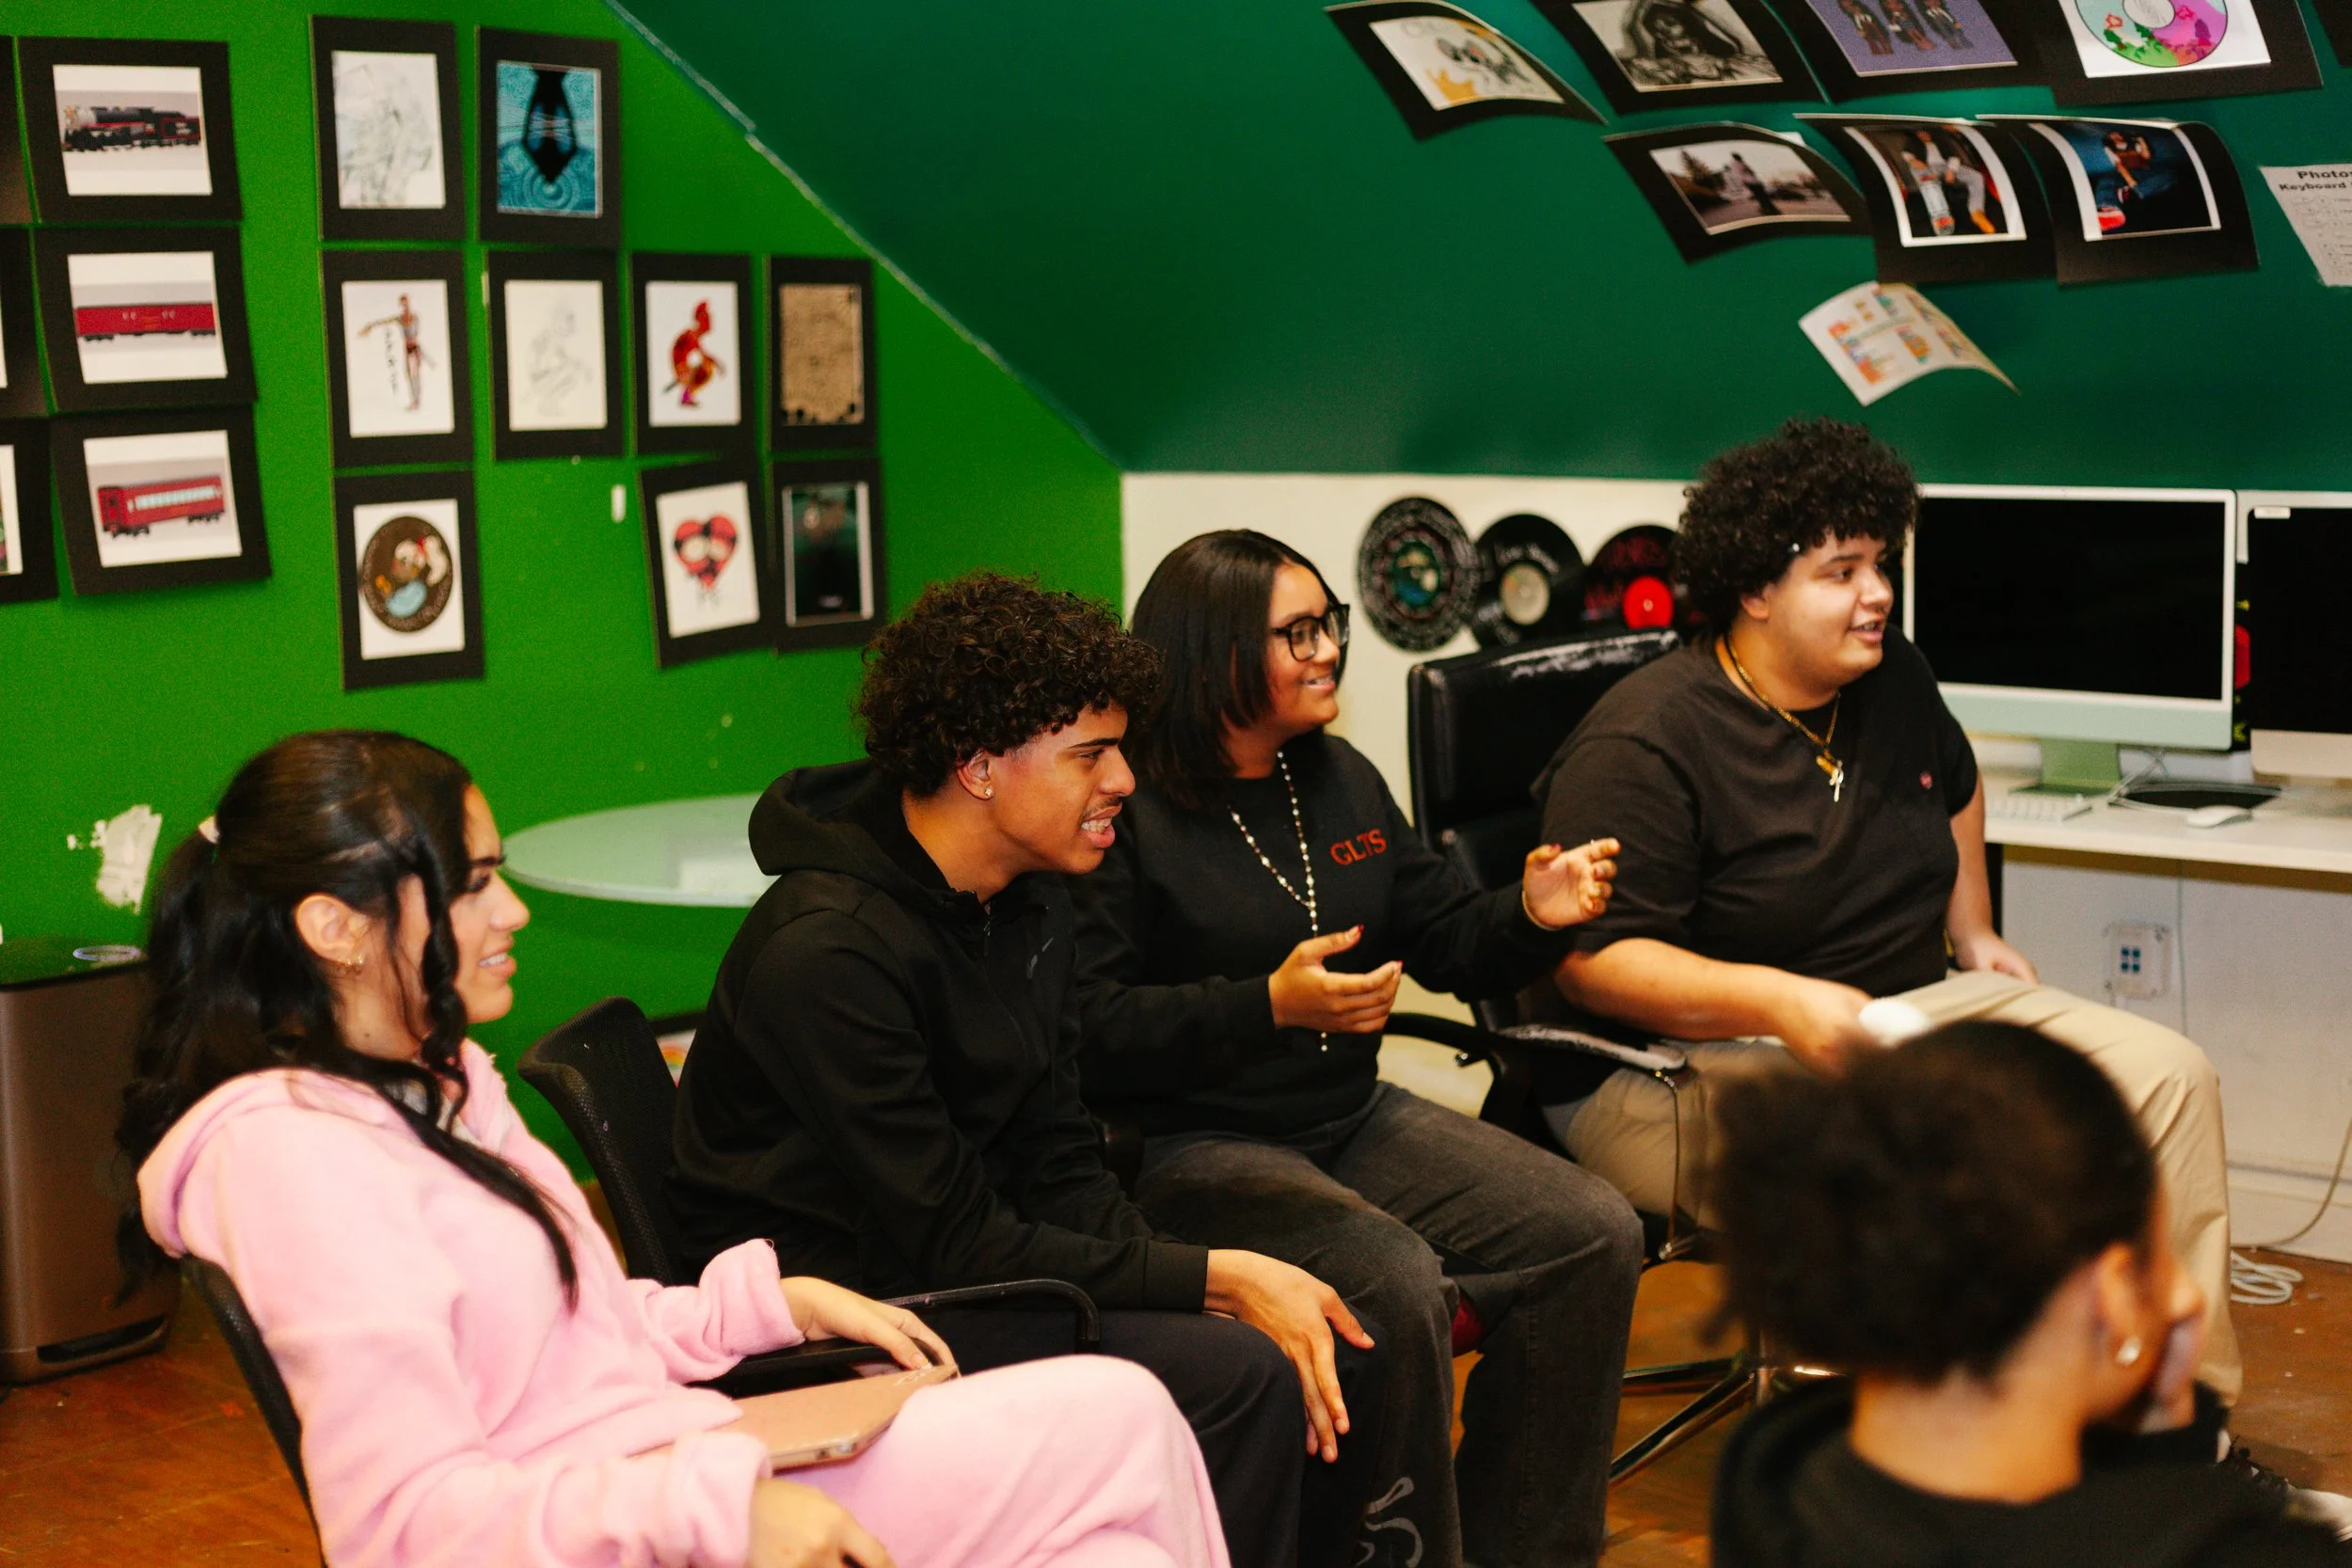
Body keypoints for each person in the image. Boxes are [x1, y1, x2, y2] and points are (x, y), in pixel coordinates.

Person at [118, 730, 1228, 1568]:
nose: (512, 912)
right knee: (1120, 1411)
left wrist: (775, 1302)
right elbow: (406, 1527)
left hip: (670, 1462)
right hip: (646, 1516)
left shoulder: (442, 1085)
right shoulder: (293, 1162)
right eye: (470, 884)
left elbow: (576, 1331)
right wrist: (720, 1507)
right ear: (335, 926)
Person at [668, 575, 1385, 1568]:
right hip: (843, 1320)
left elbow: (1057, 1153)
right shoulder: (828, 952)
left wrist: (1182, 1285)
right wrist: (1217, 1276)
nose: (1125, 780)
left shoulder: (1027, 895)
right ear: (978, 767)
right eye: (1090, 754)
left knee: (1261, 1347)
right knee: (1238, 1373)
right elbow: (951, 1239)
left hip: (945, 1266)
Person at [1525, 416, 2245, 1402]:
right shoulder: (1644, 743)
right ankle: (1931, 1471)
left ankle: (2171, 1424)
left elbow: (1953, 783)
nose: (1878, 594)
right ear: (1753, 591)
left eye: (1881, 563)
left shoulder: (1887, 671)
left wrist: (1975, 930)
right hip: (1667, 1072)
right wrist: (1781, 1003)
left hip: (1898, 1005)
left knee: (2167, 1076)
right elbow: (1593, 962)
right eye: (1841, 570)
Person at [1071, 529, 1646, 1568]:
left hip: (1351, 1114)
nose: (1328, 647)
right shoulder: (1124, 807)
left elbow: (1443, 935)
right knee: (1392, 1279)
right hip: (1192, 1145)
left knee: (1592, 1228)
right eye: (1296, 632)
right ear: (1212, 654)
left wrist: (1530, 908)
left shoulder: (1334, 776)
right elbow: (1089, 1028)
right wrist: (1267, 1007)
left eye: (1326, 621)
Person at [1708, 1021, 2352, 1565]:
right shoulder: (2237, 1545)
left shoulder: (1772, 1467)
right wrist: (2174, 1433)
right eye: (2160, 1255)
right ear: (2117, 1295)